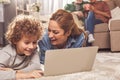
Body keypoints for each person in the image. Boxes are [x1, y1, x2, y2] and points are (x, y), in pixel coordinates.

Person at [0, 15, 44, 79]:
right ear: (15, 40)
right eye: (27, 42)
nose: (31, 46)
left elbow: (36, 66)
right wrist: (24, 75)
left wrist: (16, 72)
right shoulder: (7, 53)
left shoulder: (33, 49)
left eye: (34, 42)